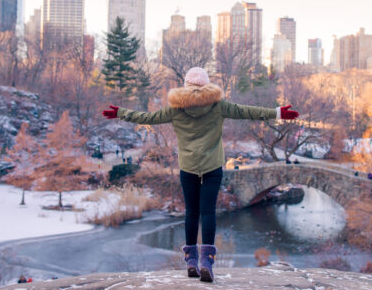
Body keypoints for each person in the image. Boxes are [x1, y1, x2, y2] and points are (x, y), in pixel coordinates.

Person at [102, 67, 299, 282]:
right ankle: (207, 262)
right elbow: (246, 111)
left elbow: (147, 117)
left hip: (188, 166)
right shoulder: (217, 106)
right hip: (212, 165)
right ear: (206, 85)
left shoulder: (175, 108)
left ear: (186, 85)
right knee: (208, 213)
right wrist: (277, 113)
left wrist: (121, 113)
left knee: (191, 212)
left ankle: (191, 261)